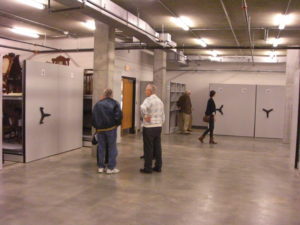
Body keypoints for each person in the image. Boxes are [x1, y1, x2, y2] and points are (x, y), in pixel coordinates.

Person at [92, 88, 123, 174]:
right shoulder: (115, 103)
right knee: (112, 148)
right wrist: (116, 125)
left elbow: (93, 117)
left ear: (104, 94)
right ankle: (110, 168)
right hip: (111, 129)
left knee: (101, 148)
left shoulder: (98, 104)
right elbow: (119, 116)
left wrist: (97, 127)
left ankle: (100, 167)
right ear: (111, 94)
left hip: (100, 130)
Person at [140, 84, 165, 174]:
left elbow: (142, 107)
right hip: (158, 127)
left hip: (149, 127)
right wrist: (160, 123)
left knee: (148, 147)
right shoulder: (160, 101)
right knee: (157, 147)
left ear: (150, 91)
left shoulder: (148, 99)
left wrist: (146, 115)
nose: (145, 91)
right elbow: (163, 115)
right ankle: (158, 166)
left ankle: (148, 168)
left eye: (146, 90)